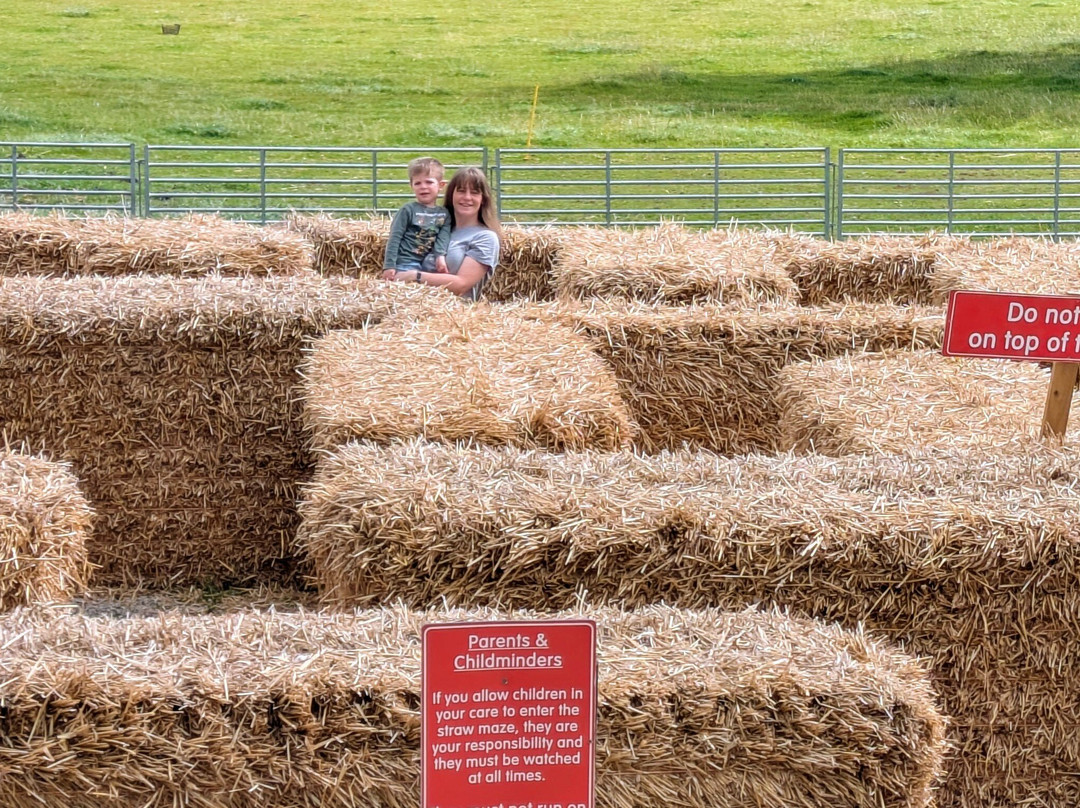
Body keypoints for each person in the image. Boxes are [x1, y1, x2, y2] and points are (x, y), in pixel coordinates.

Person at [382, 166, 501, 302]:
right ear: (451, 195)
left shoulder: (485, 238)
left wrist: (415, 276)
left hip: (451, 313)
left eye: (474, 193)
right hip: (416, 303)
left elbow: (461, 285)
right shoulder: (437, 227)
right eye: (461, 191)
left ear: (483, 199)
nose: (467, 197)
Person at [382, 156, 452, 276]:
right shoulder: (408, 210)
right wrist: (389, 266)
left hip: (428, 262)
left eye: (429, 182)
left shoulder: (444, 214)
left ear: (441, 185)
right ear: (411, 186)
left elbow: (443, 237)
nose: (423, 187)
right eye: (417, 183)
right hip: (406, 262)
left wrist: (440, 256)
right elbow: (395, 237)